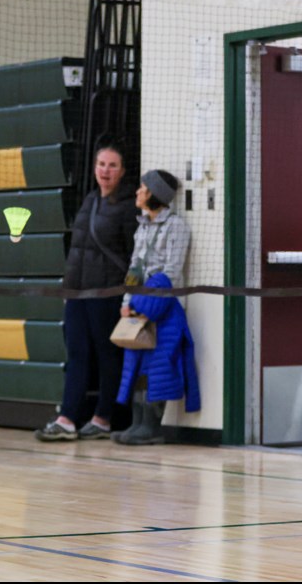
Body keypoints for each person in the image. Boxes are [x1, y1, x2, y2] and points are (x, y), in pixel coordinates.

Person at [35, 142, 138, 441]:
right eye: (102, 164)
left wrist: (128, 293)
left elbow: (133, 254)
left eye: (112, 165)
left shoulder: (128, 206)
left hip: (106, 293)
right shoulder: (90, 200)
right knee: (77, 353)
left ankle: (104, 418)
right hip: (78, 293)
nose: (105, 170)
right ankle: (67, 419)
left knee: (108, 355)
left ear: (122, 171)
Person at [112, 170, 196, 445]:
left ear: (155, 195)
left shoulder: (177, 227)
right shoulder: (142, 227)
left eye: (143, 188)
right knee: (136, 365)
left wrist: (151, 307)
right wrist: (128, 302)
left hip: (164, 309)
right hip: (139, 306)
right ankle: (138, 423)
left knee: (159, 367)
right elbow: (135, 267)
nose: (137, 192)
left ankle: (152, 425)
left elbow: (171, 271)